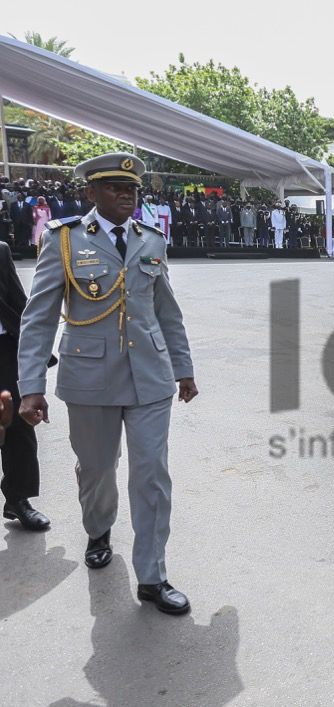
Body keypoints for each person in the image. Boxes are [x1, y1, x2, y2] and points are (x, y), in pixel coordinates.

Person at [18, 152, 198, 615]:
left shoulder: (151, 241)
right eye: (116, 187)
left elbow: (167, 311)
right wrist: (30, 384)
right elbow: (37, 319)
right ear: (91, 192)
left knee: (152, 476)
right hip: (90, 377)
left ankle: (153, 577)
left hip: (151, 379)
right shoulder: (64, 240)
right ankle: (98, 529)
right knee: (98, 471)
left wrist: (183, 367)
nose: (127, 195)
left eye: (132, 188)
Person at [0, 239, 48, 532]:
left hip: (4, 350)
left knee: (17, 425)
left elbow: (19, 305)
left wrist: (35, 362)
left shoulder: (1, 250)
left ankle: (17, 499)